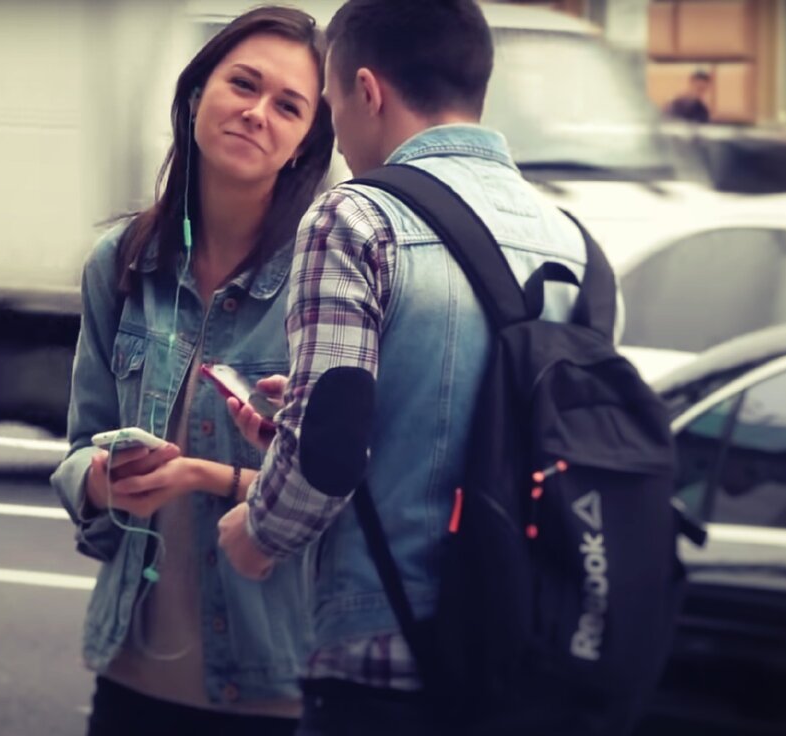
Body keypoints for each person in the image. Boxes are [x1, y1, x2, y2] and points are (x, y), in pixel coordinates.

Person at [216, 0, 595, 733]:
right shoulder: (576, 244)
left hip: (385, 660)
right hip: (530, 661)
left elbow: (325, 461)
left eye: (329, 104)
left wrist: (258, 535)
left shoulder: (355, 218)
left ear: (366, 91)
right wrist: (312, 418)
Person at [50, 7, 334, 735]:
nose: (257, 112)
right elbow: (78, 449)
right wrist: (101, 480)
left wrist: (206, 476)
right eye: (243, 84)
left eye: (288, 106)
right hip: (130, 673)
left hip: (274, 689)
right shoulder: (121, 262)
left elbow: (341, 493)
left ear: (305, 143)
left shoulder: (325, 280)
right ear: (197, 93)